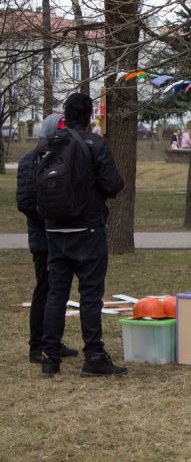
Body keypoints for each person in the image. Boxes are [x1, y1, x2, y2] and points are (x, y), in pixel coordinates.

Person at [38, 93, 126, 377]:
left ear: (66, 115)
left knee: (56, 294)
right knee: (90, 295)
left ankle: (50, 357)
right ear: (90, 115)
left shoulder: (52, 144)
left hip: (54, 229)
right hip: (87, 230)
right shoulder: (93, 144)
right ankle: (94, 356)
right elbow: (113, 184)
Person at [16, 113, 79, 364]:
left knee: (59, 292)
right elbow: (25, 202)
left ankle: (53, 340)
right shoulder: (29, 161)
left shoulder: (63, 158)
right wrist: (50, 215)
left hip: (60, 236)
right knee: (45, 289)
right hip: (43, 238)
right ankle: (36, 346)